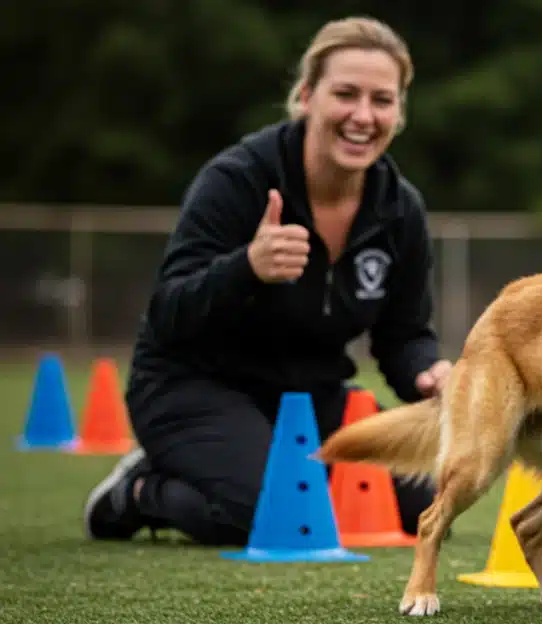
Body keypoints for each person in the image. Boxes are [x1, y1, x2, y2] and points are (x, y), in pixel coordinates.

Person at [82, 16, 452, 546]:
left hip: (306, 398)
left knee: (424, 500)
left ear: (399, 111)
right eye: (345, 94)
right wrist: (246, 268)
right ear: (306, 96)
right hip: (194, 385)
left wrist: (427, 373)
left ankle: (274, 468)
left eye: (382, 100)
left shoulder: (400, 209)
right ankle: (138, 490)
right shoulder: (237, 179)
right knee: (264, 515)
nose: (363, 116)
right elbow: (168, 310)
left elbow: (404, 334)